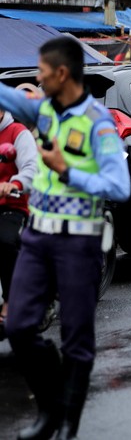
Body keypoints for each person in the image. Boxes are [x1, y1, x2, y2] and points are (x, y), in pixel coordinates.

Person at [1, 36, 130, 440]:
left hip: (79, 243)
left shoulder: (97, 122)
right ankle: (54, 402)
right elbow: (5, 95)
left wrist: (67, 170)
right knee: (19, 327)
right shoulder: (41, 111)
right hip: (37, 239)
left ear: (61, 74)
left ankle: (62, 422)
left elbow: (119, 185)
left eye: (41, 72)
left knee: (77, 337)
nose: (36, 79)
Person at [0, 107, 38, 341]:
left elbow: (31, 169)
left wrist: (13, 184)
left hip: (12, 206)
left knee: (3, 241)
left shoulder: (18, 133)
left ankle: (11, 302)